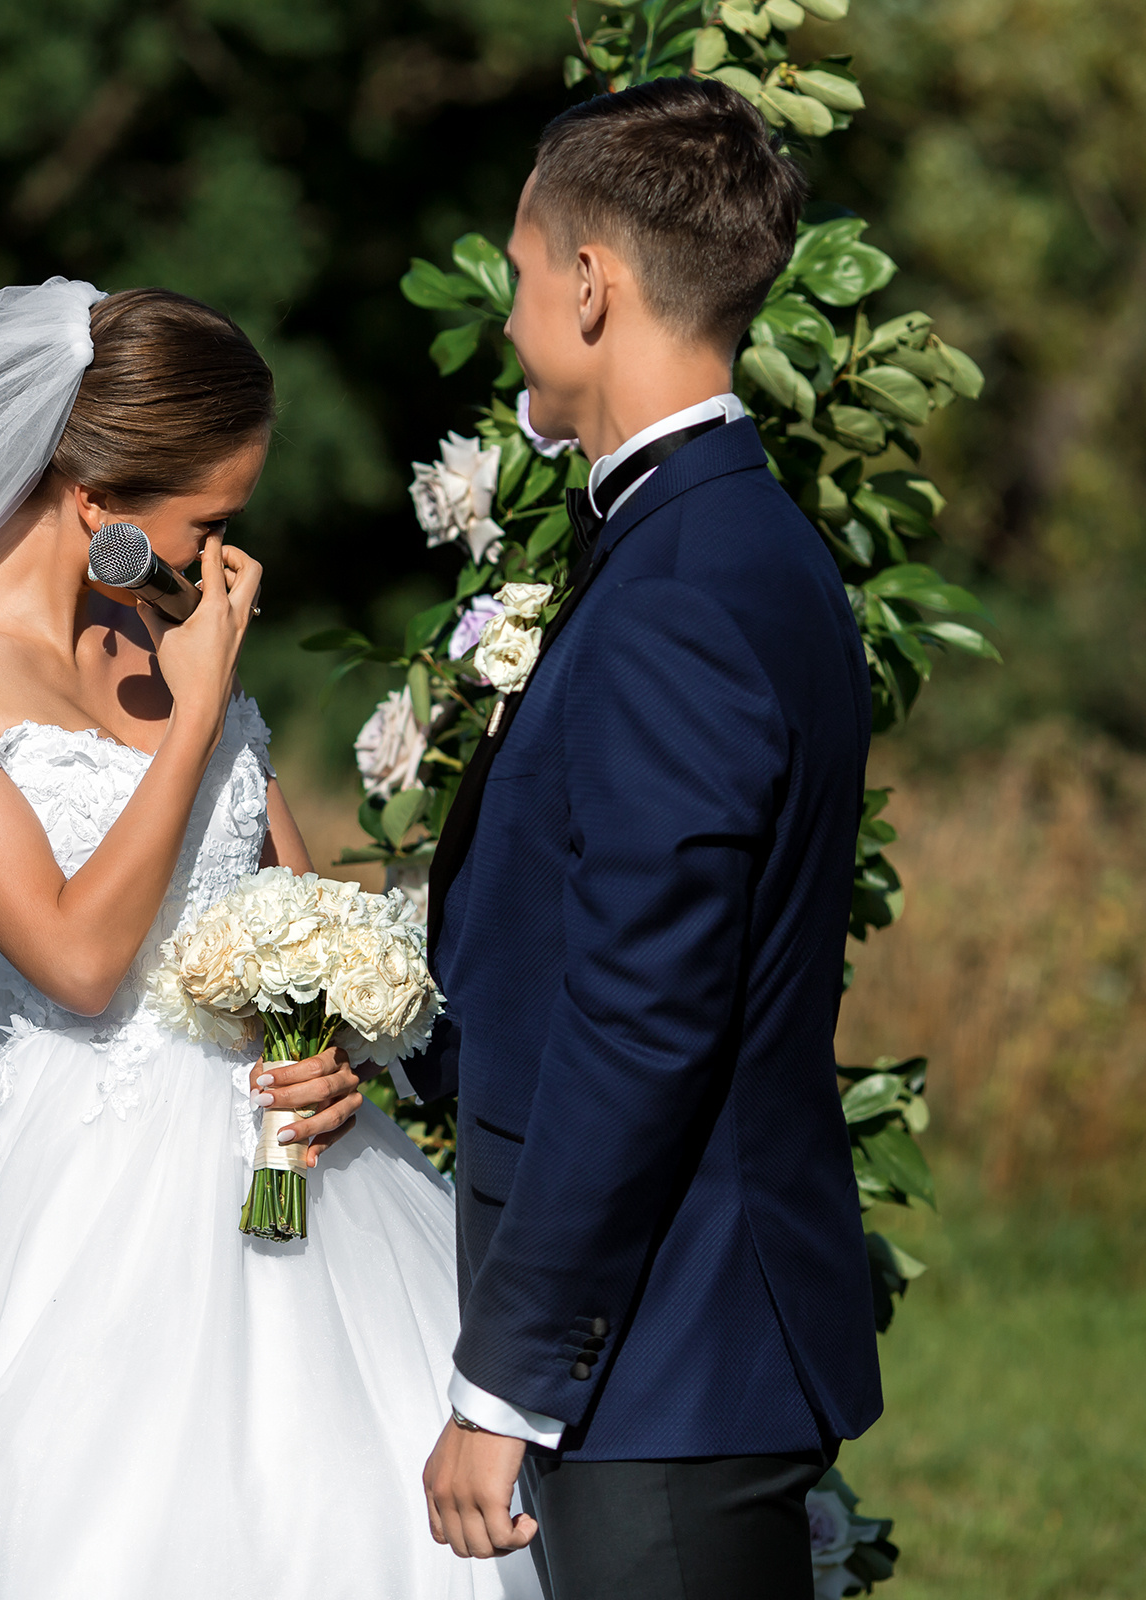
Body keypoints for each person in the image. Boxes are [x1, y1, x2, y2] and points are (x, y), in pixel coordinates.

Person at [0, 281, 535, 1599]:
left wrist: (330, 1045)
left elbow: (295, 909)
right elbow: (75, 957)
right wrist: (197, 704)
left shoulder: (165, 634)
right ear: (97, 498)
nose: (230, 563)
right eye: (207, 525)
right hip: (86, 1192)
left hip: (298, 1172)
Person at [405, 78, 880, 1598]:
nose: (516, 309)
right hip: (687, 1348)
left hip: (661, 1366)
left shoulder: (680, 585)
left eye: (527, 271)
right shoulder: (727, 537)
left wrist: (507, 1383)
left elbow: (647, 1011)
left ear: (592, 287)